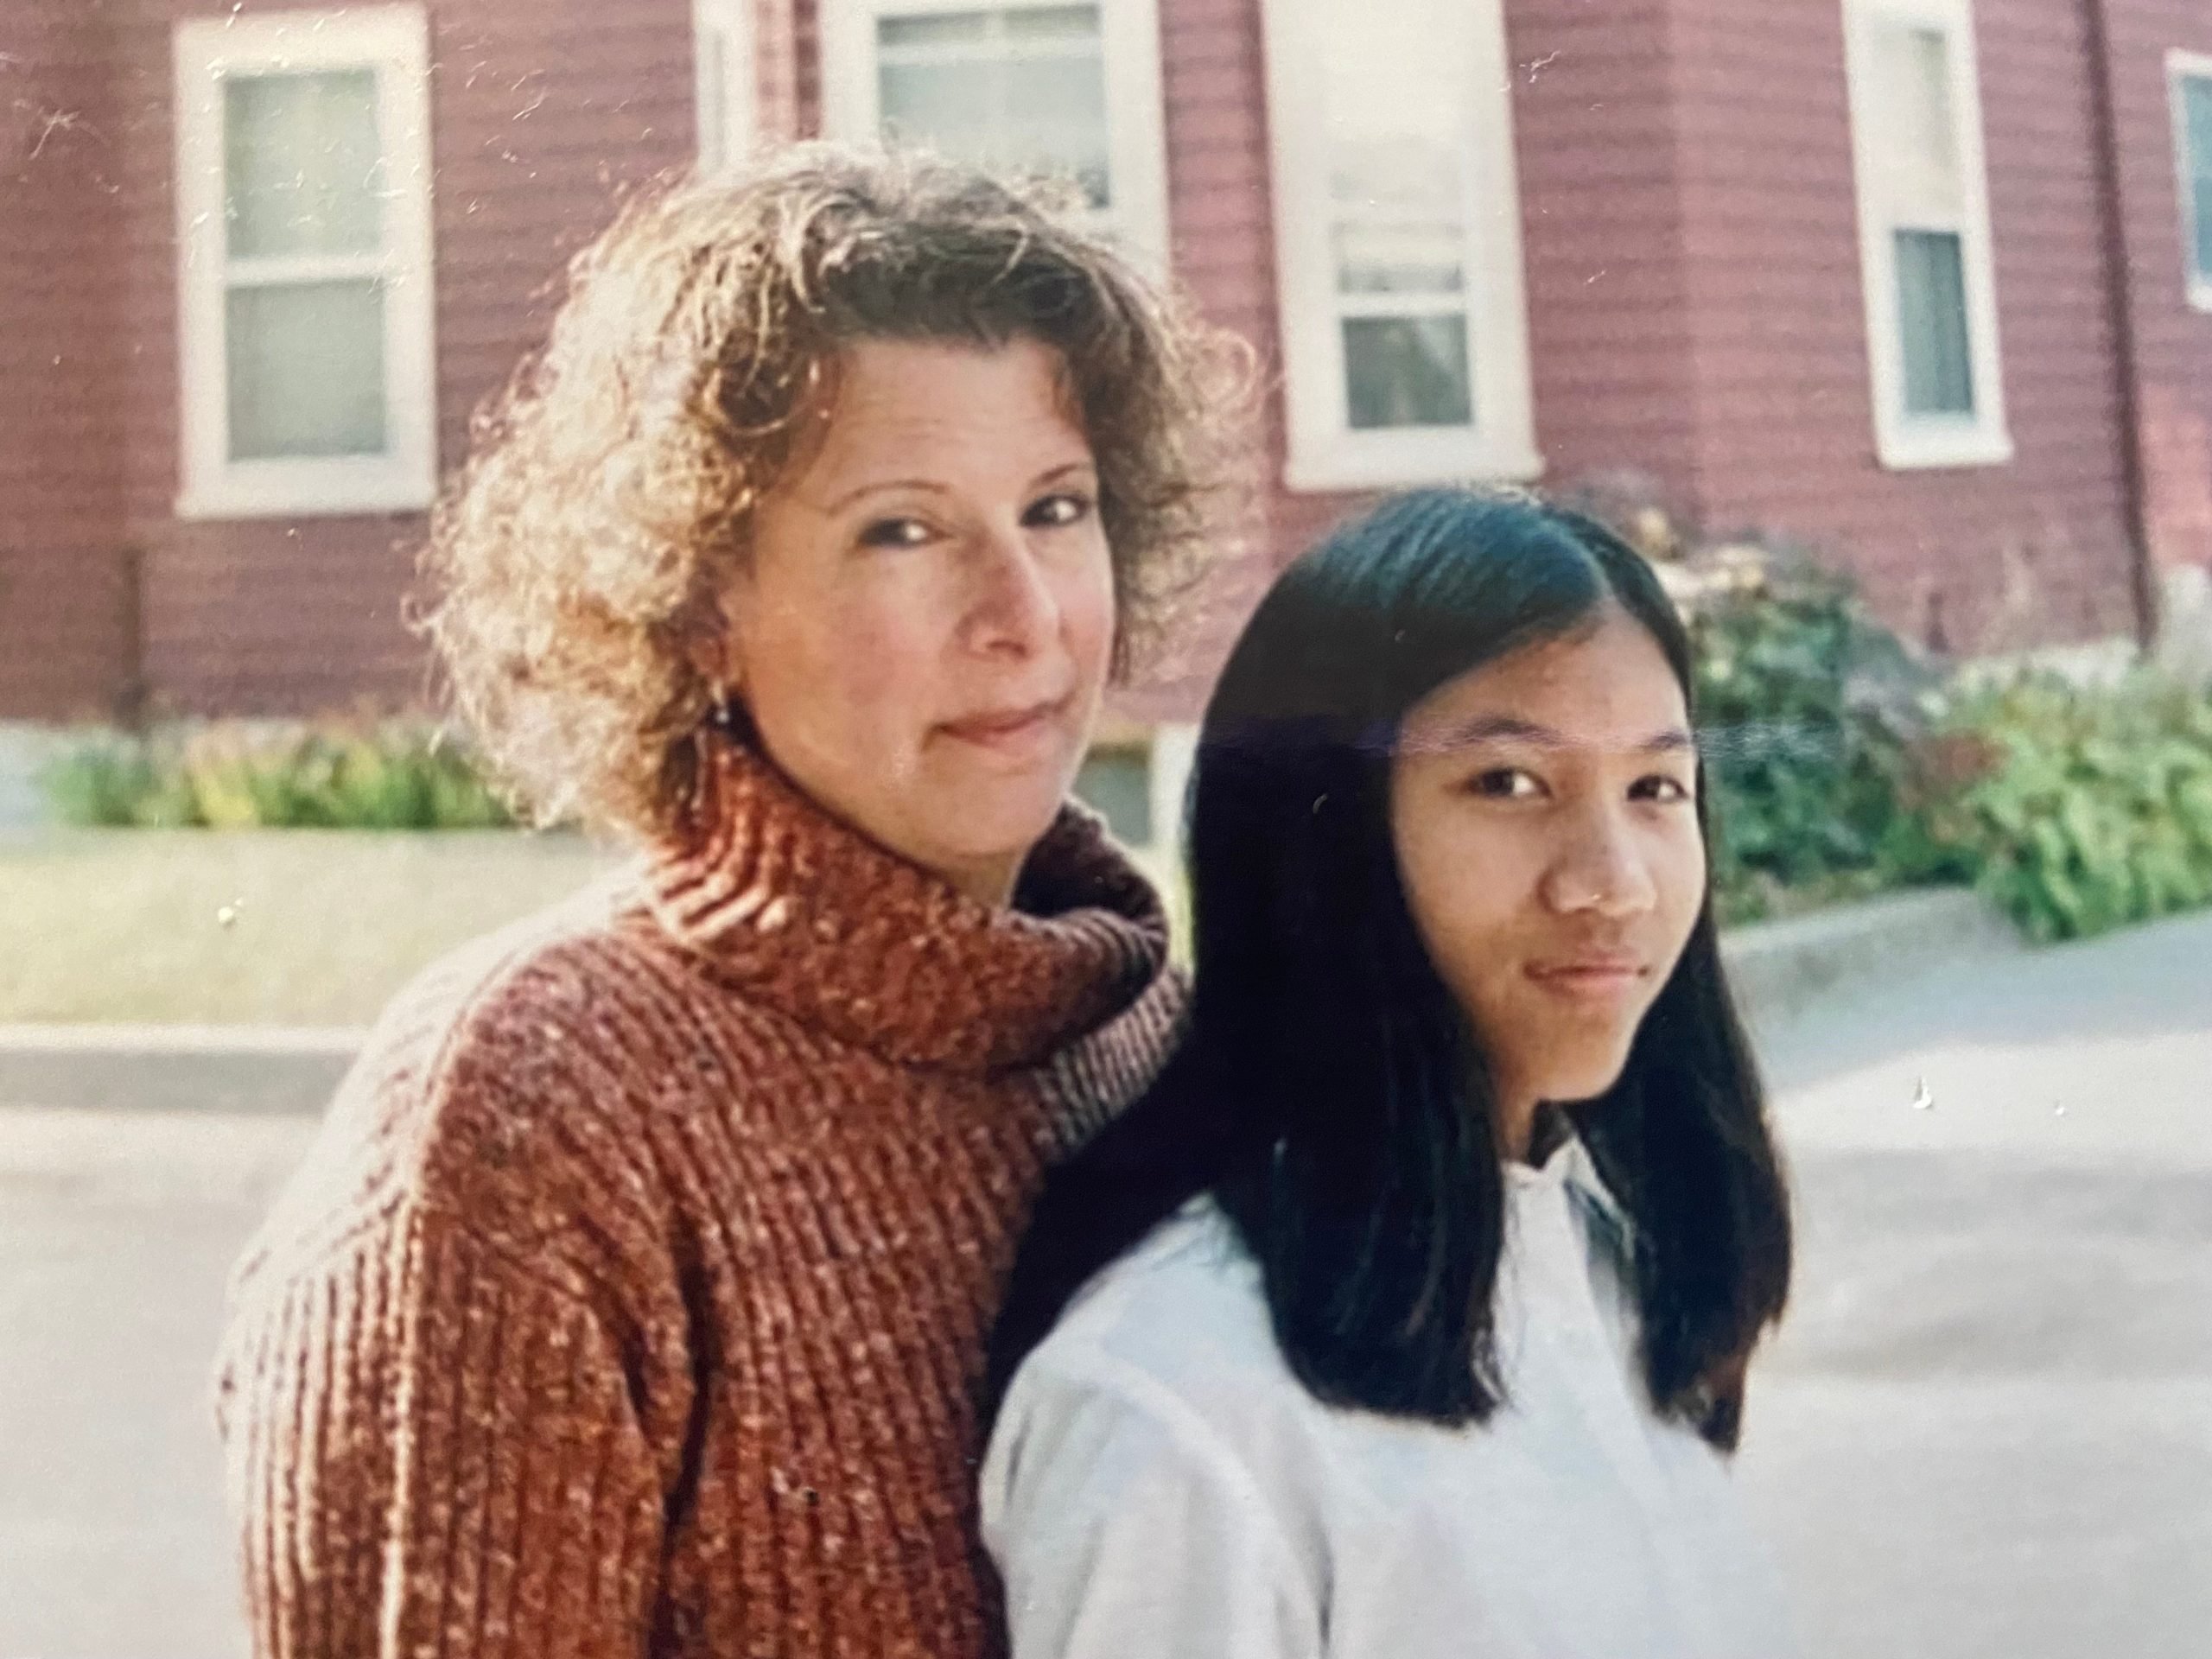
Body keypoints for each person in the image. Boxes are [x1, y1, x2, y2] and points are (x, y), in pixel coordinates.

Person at [211, 145, 1243, 1659]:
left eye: (1058, 508)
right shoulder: (530, 1112)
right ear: (699, 602)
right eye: (904, 529)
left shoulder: (1150, 1027)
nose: (1023, 618)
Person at [982, 488, 1799, 1659]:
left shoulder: (1609, 1265)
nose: (1613, 881)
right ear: (1324, 836)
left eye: (1654, 789)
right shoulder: (1175, 1408)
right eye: (1508, 783)